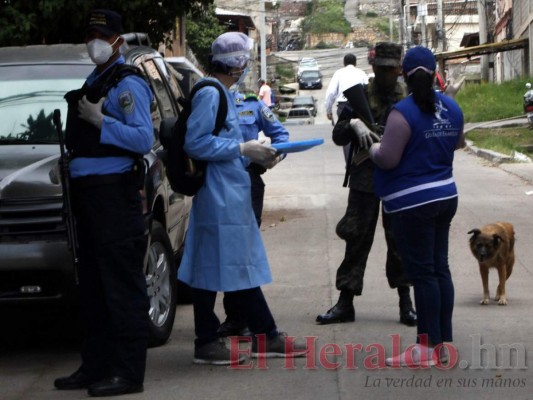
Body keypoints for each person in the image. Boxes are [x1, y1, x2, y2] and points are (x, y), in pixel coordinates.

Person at [177, 31, 308, 365]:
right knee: (229, 265)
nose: (247, 65)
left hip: (229, 192)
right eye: (245, 59)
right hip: (219, 196)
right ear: (235, 63)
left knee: (228, 264)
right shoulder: (211, 94)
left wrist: (255, 155)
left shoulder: (224, 92)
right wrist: (240, 148)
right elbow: (196, 143)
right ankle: (241, 337)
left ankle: (256, 335)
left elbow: (222, 145)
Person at [53, 9, 153, 397]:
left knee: (122, 287)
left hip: (114, 197)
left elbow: (143, 139)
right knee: (93, 286)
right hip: (89, 198)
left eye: (102, 35)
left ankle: (128, 373)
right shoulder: (96, 78)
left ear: (118, 42)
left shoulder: (128, 84)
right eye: (90, 34)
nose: (94, 41)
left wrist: (100, 121)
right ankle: (95, 366)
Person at [369, 46, 465, 367]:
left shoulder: (402, 112)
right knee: (440, 268)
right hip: (445, 195)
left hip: (413, 203)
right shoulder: (451, 107)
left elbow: (388, 157)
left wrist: (372, 148)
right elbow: (459, 143)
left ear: (404, 74)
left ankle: (426, 347)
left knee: (423, 273)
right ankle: (443, 344)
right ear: (434, 71)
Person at [316, 42, 417, 327]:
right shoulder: (360, 95)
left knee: (400, 241)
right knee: (356, 239)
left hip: (399, 177)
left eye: (391, 69)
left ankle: (405, 302)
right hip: (366, 178)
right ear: (373, 68)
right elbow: (337, 136)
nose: (386, 74)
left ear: (399, 69)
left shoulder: (408, 96)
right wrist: (352, 125)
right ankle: (345, 302)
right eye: (381, 68)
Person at [217, 88, 290, 337]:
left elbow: (281, 135)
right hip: (218, 181)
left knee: (243, 249)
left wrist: (272, 156)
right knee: (226, 249)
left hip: (248, 181)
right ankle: (237, 317)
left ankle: (241, 318)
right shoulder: (209, 99)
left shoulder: (251, 103)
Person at [324, 53, 368, 161]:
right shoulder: (361, 73)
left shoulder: (338, 73)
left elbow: (330, 93)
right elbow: (368, 90)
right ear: (355, 62)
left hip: (344, 107)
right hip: (359, 106)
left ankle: (349, 162)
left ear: (344, 63)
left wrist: (328, 110)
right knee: (362, 132)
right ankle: (360, 160)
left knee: (346, 133)